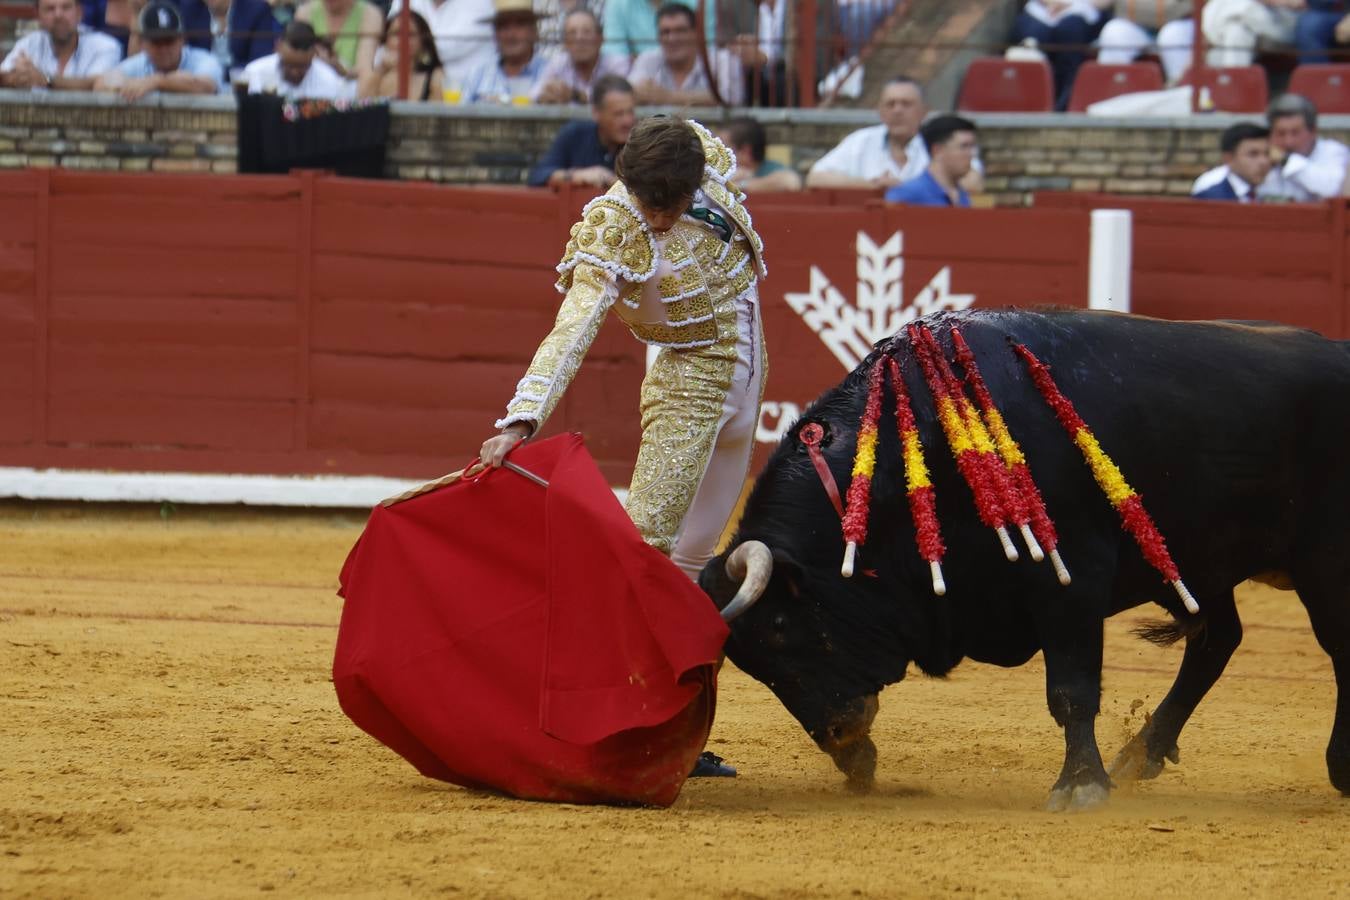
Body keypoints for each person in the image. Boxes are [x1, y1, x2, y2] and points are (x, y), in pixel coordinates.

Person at [482, 116, 767, 612]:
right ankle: (607, 663)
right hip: (687, 378)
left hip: (750, 370)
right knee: (646, 541)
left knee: (697, 550)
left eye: (668, 206)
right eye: (646, 202)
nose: (655, 217)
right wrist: (521, 419)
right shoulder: (614, 228)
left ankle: (674, 670)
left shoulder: (699, 158)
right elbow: (572, 327)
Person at [806, 76, 983, 193]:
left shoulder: (940, 139)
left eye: (906, 104)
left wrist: (904, 189)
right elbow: (815, 178)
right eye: (890, 104)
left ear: (923, 111)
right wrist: (872, 186)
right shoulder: (861, 141)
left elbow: (973, 183)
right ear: (880, 111)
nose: (897, 111)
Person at [1193, 93, 1349, 201]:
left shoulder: (1333, 153)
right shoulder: (1265, 155)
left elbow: (1333, 191)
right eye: (1281, 133)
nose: (1288, 142)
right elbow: (1224, 178)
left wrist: (1286, 160)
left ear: (1313, 131)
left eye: (1295, 133)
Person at [93, 0, 224, 98]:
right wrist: (127, 84)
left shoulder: (204, 60)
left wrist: (156, 81)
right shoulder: (140, 62)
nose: (163, 48)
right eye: (156, 42)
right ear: (143, 43)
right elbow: (100, 84)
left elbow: (207, 86)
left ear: (182, 40)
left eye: (169, 41)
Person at [528, 74, 635, 186]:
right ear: (596, 113)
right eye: (618, 114)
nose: (627, 121)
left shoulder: (641, 142)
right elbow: (538, 175)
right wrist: (575, 176)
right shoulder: (575, 135)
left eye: (630, 112)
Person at [628, 2, 743, 105]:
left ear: (696, 33)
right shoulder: (648, 59)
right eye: (665, 32)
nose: (672, 38)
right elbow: (628, 94)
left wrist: (669, 97)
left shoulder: (721, 60)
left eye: (680, 30)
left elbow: (731, 97)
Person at [1011, 0, 1115, 110]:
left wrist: (1071, 5)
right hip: (1041, 13)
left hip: (1082, 14)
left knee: (1071, 31)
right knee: (1033, 36)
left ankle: (1064, 104)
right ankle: (1033, 105)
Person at [1, 0, 122, 90]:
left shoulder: (106, 46)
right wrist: (15, 78)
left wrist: (46, 80)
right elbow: (4, 74)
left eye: (66, 8)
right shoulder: (30, 43)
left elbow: (96, 84)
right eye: (50, 9)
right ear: (38, 15)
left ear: (79, 12)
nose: (58, 15)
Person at [386, 0, 494, 89]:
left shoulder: (483, 3)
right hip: (410, 96)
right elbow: (387, 40)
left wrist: (407, 47)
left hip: (471, 103)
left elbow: (448, 47)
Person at [532, 7, 629, 104]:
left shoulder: (616, 64)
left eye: (587, 32)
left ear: (601, 39)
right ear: (565, 43)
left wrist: (575, 95)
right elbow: (534, 93)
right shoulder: (558, 62)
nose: (579, 38)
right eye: (572, 33)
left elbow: (621, 96)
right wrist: (546, 95)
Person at [461, 0, 549, 103]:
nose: (511, 35)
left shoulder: (552, 74)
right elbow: (458, 116)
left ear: (534, 33)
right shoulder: (476, 76)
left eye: (519, 25)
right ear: (495, 35)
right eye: (504, 27)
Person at [884, 115, 977, 207]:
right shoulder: (906, 195)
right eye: (964, 147)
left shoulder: (962, 195)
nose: (971, 154)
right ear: (937, 151)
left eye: (972, 146)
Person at [243, 18, 353, 96]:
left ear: (314, 54)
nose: (295, 72)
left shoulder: (329, 81)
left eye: (302, 67)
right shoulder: (254, 73)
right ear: (278, 47)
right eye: (289, 65)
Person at [177, 0, 281, 80]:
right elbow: (185, 56)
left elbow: (259, 62)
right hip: (200, 84)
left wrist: (215, 72)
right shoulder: (189, 8)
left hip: (242, 84)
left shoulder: (257, 9)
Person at [1095, 0, 1194, 83]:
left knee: (1172, 35)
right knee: (1114, 31)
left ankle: (1182, 92)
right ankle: (1113, 93)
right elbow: (1098, 3)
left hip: (1181, 21)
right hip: (1137, 23)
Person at [359, 10, 445, 99]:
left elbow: (438, 111)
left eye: (411, 34)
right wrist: (382, 69)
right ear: (386, 40)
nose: (403, 40)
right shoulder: (378, 73)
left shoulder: (435, 77)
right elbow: (363, 105)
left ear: (423, 42)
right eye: (396, 34)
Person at [601, 0, 716, 60]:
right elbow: (614, 58)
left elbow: (709, 52)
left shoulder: (704, 2)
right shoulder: (617, 3)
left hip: (696, 79)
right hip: (641, 82)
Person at [294, 0, 382, 77]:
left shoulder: (370, 15)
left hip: (351, 88)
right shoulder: (305, 12)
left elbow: (364, 70)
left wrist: (339, 69)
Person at [1201, 0, 1301, 67]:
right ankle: (1233, 85)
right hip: (1252, 22)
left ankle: (1214, 31)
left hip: (1286, 23)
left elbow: (1300, 3)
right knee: (1237, 31)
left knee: (1242, 9)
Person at [717, 116, 801, 192]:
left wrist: (741, 185)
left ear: (746, 151)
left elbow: (792, 182)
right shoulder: (717, 170)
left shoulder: (769, 169)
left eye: (724, 148)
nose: (717, 153)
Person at [1192, 122, 1273, 201]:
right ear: (1229, 158)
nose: (1264, 162)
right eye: (1253, 154)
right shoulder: (1211, 198)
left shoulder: (1269, 192)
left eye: (1267, 153)